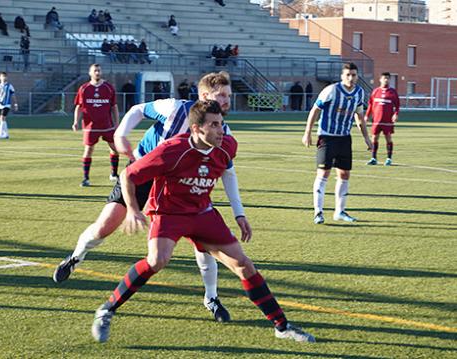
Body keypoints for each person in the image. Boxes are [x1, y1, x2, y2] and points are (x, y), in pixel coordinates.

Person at [91, 100, 314, 344]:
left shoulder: (227, 146)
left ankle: (281, 326)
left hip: (202, 213)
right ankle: (106, 310)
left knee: (243, 264)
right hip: (170, 213)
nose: (221, 130)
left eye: (222, 124)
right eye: (214, 125)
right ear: (196, 129)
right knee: (157, 260)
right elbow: (128, 175)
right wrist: (133, 210)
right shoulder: (172, 149)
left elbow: (228, 174)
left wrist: (239, 214)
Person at [53, 71, 252, 325]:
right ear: (204, 96)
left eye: (229, 96)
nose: (227, 101)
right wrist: (120, 135)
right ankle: (76, 256)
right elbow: (137, 109)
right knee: (104, 226)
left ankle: (211, 298)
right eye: (221, 95)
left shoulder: (221, 130)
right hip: (144, 173)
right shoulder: (175, 108)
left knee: (203, 242)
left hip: (180, 185)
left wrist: (239, 213)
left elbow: (228, 172)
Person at [302, 62, 372, 225]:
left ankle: (339, 211)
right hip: (327, 137)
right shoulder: (331, 90)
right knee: (323, 173)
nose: (351, 78)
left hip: (344, 138)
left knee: (344, 174)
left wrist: (366, 138)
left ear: (357, 76)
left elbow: (359, 116)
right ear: (342, 76)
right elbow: (315, 110)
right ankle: (318, 212)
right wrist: (307, 133)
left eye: (353, 75)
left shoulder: (359, 93)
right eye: (347, 75)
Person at [72, 64, 120, 186]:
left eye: (99, 70)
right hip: (90, 126)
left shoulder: (108, 87)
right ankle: (86, 178)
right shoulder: (84, 88)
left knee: (115, 149)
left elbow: (114, 107)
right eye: (95, 71)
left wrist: (117, 124)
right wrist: (76, 122)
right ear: (90, 73)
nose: (97, 73)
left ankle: (114, 173)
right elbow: (79, 107)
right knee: (88, 150)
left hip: (107, 125)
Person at [365, 72, 400, 166]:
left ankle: (389, 159)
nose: (386, 80)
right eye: (384, 78)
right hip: (376, 120)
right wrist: (366, 116)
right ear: (380, 79)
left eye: (388, 78)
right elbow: (370, 105)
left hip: (387, 120)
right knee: (374, 138)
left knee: (388, 138)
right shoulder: (375, 91)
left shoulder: (392, 92)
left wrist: (396, 114)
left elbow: (397, 105)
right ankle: (373, 158)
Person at [0, 72, 18, 139]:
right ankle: (6, 134)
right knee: (2, 120)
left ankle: (0, 134)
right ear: (0, 78)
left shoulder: (10, 86)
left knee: (2, 118)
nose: (4, 78)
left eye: (5, 76)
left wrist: (15, 104)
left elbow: (13, 96)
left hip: (7, 105)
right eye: (2, 76)